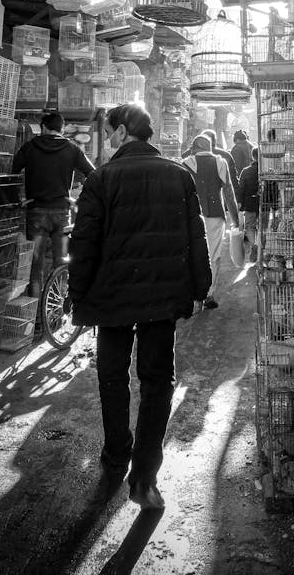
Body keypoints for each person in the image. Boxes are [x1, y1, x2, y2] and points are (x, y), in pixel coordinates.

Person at [68, 103, 211, 510]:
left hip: (111, 299)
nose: (109, 136)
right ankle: (144, 478)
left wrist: (78, 296)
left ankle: (116, 455)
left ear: (121, 132)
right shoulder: (178, 174)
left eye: (111, 130)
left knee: (112, 377)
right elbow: (195, 236)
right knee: (157, 381)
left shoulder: (102, 179)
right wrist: (201, 289)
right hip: (161, 301)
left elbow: (84, 246)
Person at [12, 110, 95, 299]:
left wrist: (20, 198)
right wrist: (77, 200)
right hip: (62, 213)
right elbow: (94, 174)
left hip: (36, 213)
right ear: (62, 129)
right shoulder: (73, 149)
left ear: (43, 128)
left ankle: (35, 318)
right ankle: (56, 313)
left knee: (35, 266)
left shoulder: (30, 147)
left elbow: (12, 169)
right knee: (62, 264)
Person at [182, 134, 239, 310]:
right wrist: (236, 219)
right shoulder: (220, 162)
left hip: (190, 216)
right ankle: (209, 295)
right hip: (215, 215)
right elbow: (229, 193)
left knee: (190, 253)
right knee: (213, 256)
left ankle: (192, 296)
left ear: (195, 148)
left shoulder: (185, 164)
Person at [236, 146, 259, 263]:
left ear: (252, 156)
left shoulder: (246, 171)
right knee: (263, 227)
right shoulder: (267, 171)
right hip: (264, 204)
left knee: (250, 226)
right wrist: (274, 206)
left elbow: (241, 189)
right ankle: (261, 249)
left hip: (250, 204)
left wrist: (239, 203)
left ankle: (254, 245)